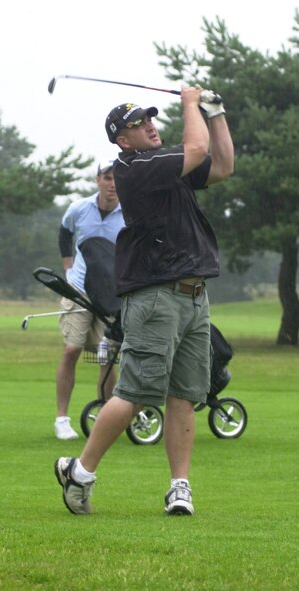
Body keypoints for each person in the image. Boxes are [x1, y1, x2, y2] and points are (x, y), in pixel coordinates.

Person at [54, 86, 234, 513]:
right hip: (156, 295)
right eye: (139, 124)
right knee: (135, 392)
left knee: (184, 394)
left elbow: (223, 165)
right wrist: (190, 102)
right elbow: (194, 147)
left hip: (193, 295)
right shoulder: (135, 167)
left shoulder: (165, 167)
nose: (151, 126)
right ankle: (81, 473)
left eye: (151, 120)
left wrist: (217, 112)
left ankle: (179, 486)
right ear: (122, 139)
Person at [54, 161, 125, 440]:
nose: (113, 184)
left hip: (109, 293)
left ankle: (108, 417)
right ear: (98, 180)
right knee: (72, 349)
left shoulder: (129, 213)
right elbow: (64, 233)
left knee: (107, 357)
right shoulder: (79, 208)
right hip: (79, 289)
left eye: (117, 178)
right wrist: (68, 265)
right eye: (107, 177)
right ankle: (62, 419)